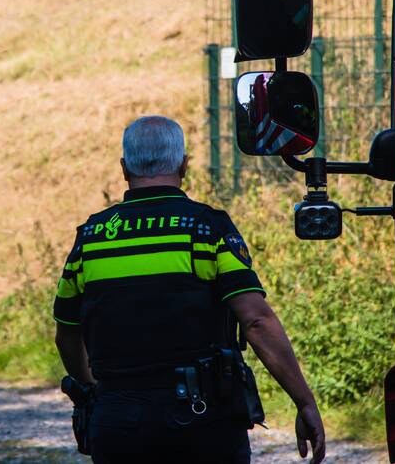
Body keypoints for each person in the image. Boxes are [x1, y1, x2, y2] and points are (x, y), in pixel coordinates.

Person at [54, 115, 325, 464]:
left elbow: (67, 333)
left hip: (118, 422)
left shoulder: (91, 238)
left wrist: (92, 389)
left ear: (124, 169)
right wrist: (304, 401)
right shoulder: (205, 229)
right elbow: (256, 321)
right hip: (202, 420)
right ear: (184, 165)